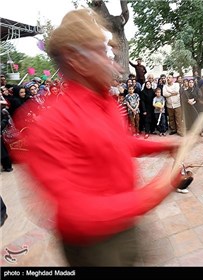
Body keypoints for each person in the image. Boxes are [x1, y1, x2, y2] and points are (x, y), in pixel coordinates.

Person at [12, 8, 185, 267]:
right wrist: (156, 190)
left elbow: (118, 143)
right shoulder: (48, 122)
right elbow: (76, 212)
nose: (115, 65)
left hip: (128, 222)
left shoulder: (105, 101)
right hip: (95, 247)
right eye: (105, 54)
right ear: (76, 59)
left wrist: (161, 146)